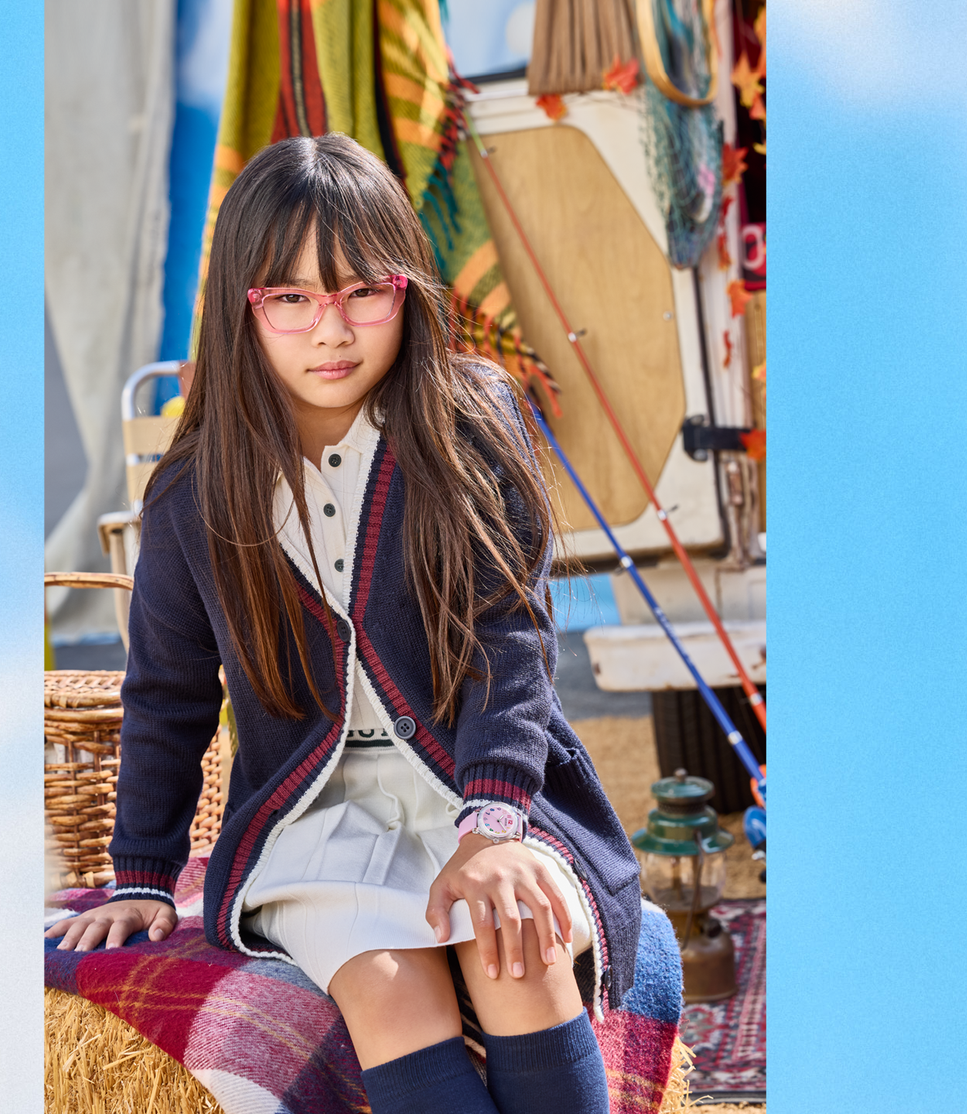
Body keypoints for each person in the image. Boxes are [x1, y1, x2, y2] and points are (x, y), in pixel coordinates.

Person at [44, 134, 641, 1114]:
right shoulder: (195, 492)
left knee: (517, 950)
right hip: (314, 816)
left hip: (480, 783)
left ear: (407, 288)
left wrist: (493, 826)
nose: (333, 329)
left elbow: (512, 645)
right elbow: (167, 692)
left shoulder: (471, 425)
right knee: (388, 985)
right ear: (244, 306)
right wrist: (144, 870)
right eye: (291, 298)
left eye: (364, 290)